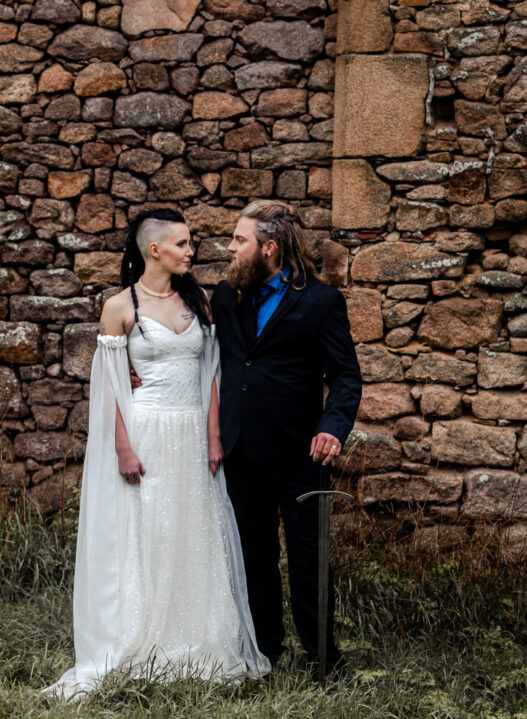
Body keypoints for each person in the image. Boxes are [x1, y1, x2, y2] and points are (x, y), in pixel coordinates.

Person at [48, 209, 269, 698]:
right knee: (147, 529)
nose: (192, 251)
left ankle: (197, 640)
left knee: (193, 529)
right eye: (183, 244)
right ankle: (139, 636)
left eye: (190, 243)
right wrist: (123, 448)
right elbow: (108, 385)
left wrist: (213, 436)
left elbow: (212, 374)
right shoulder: (119, 307)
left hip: (191, 431)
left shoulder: (201, 303)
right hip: (145, 432)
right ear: (154, 249)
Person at [210, 200, 362, 674]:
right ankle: (264, 652)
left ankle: (322, 659)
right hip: (238, 449)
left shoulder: (321, 302)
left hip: (300, 450)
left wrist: (331, 428)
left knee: (308, 559)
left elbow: (346, 377)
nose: (229, 248)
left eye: (239, 240)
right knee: (252, 555)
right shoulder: (223, 296)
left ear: (269, 248)